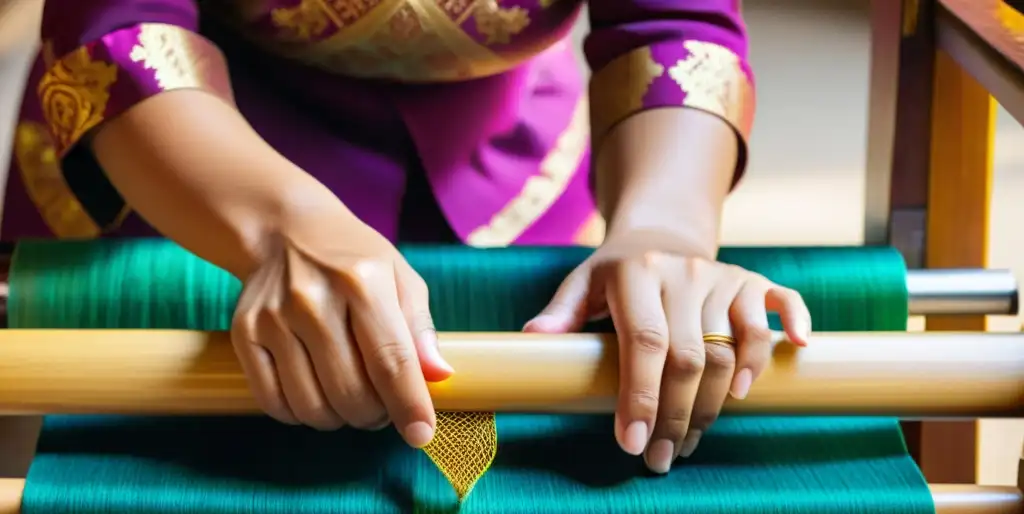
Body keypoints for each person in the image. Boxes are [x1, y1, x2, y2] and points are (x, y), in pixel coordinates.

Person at [2, 0, 810, 474]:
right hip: (186, 175)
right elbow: (122, 21)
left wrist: (665, 226)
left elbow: (669, 23)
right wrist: (280, 223)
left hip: (508, 173)